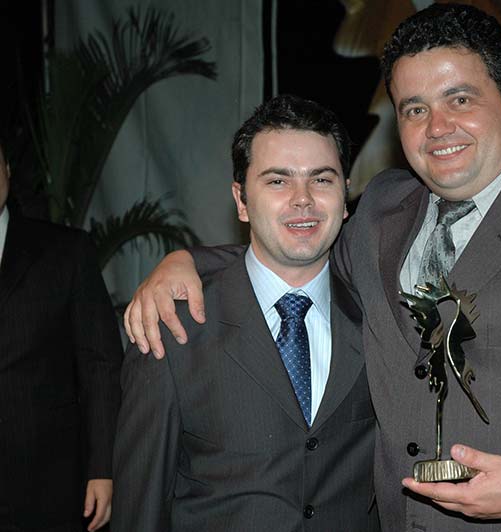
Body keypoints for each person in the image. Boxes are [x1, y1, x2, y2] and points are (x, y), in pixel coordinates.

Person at [124, 5, 501, 531]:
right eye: (414, 109)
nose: (437, 128)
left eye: (459, 99)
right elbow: (297, 246)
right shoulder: (384, 210)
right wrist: (185, 261)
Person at [112, 95, 379, 531]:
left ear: (345, 195)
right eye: (278, 181)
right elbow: (140, 508)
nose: (303, 200)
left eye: (321, 179)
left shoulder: (380, 316)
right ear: (241, 199)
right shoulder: (172, 329)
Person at [0, 139, 120, 531]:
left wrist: (103, 467)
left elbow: (100, 364)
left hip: (47, 483)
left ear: (7, 169)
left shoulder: (65, 250)